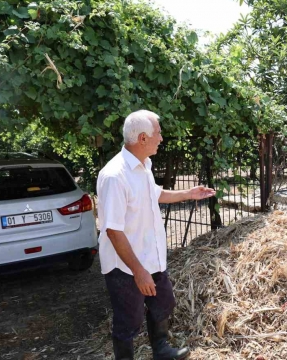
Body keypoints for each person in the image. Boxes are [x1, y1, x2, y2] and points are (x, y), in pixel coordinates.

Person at [97, 110, 215, 360]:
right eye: (158, 133)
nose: (161, 138)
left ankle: (161, 350)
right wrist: (139, 271)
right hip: (125, 266)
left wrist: (188, 194)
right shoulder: (114, 176)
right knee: (129, 320)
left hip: (151, 257)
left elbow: (155, 194)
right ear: (142, 138)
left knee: (163, 304)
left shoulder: (144, 165)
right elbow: (113, 230)